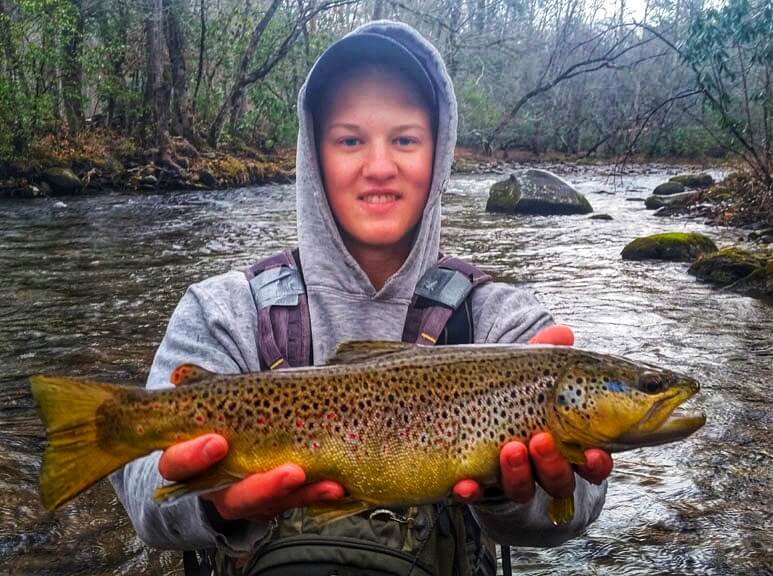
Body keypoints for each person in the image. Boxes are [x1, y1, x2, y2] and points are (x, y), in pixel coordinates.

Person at [111, 20, 612, 575]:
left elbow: (581, 503)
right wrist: (210, 500)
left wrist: (512, 495)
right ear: (314, 155)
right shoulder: (224, 310)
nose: (379, 167)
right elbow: (141, 488)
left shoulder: (502, 321)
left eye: (404, 139)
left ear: (438, 154)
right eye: (350, 140)